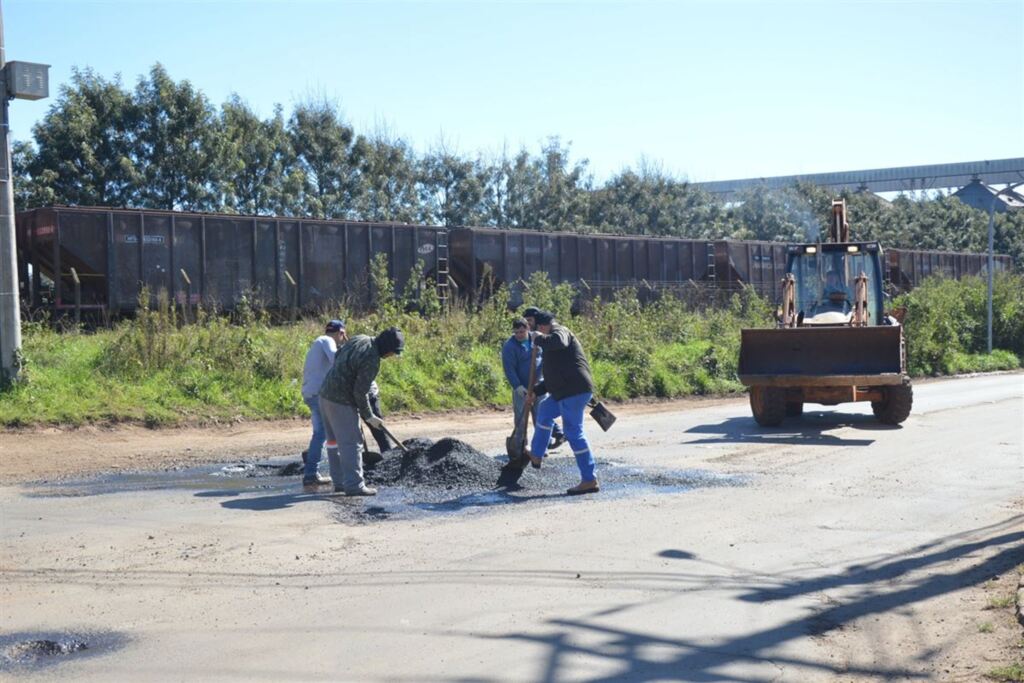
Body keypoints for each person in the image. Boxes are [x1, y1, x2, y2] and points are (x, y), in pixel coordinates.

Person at [317, 327, 404, 496]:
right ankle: (354, 485)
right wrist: (369, 416)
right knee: (352, 443)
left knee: (333, 442)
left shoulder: (360, 338)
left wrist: (343, 374)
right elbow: (360, 391)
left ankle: (340, 481)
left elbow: (338, 354)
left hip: (325, 394)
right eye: (393, 352)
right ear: (387, 348)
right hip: (341, 401)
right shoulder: (372, 359)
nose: (392, 356)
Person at [526, 311, 599, 495]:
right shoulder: (550, 342)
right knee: (545, 410)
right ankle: (537, 454)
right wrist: (536, 391)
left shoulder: (561, 332)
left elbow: (559, 342)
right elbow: (553, 377)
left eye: (540, 328)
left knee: (573, 432)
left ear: (544, 326)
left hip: (574, 390)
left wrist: (539, 339)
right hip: (562, 391)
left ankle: (589, 479)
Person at [501, 318, 566, 452]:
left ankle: (542, 447)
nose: (519, 334)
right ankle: (520, 446)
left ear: (528, 329)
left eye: (522, 331)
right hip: (521, 389)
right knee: (521, 418)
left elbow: (546, 360)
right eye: (517, 332)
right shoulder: (509, 346)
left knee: (541, 417)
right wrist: (518, 387)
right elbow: (509, 369)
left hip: (539, 386)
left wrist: (542, 382)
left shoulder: (537, 340)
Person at [300, 319, 347, 490]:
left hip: (311, 391)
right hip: (317, 393)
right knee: (321, 434)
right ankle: (311, 473)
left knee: (321, 433)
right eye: (343, 335)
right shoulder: (327, 341)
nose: (343, 339)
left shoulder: (318, 342)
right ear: (341, 333)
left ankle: (312, 470)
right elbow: (337, 361)